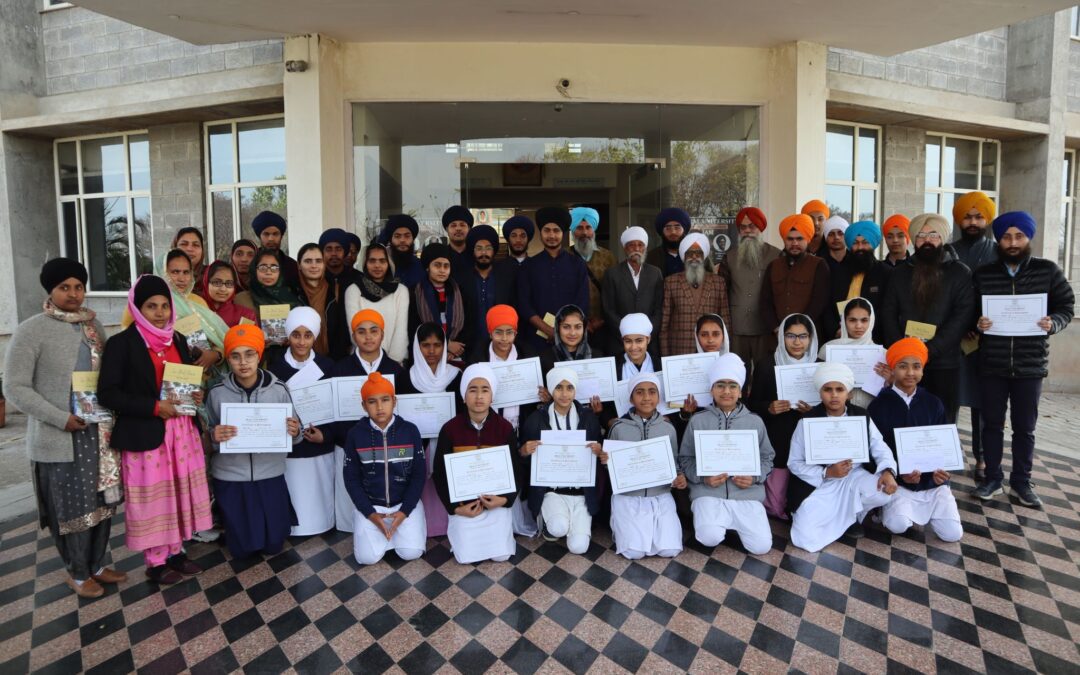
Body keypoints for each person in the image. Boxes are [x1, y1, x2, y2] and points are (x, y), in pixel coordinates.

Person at [3, 259, 125, 598]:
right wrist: (60, 417)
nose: (73, 294)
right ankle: (76, 570)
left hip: (97, 432)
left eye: (78, 287)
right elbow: (15, 387)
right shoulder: (32, 330)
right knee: (70, 507)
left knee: (102, 501)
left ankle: (97, 565)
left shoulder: (93, 328)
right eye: (64, 288)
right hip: (60, 436)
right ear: (50, 290)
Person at [98, 274, 212, 584]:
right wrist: (153, 407)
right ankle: (156, 561)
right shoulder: (122, 344)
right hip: (147, 435)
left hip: (181, 432)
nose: (160, 313)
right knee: (153, 500)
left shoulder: (177, 339)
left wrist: (195, 395)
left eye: (164, 306)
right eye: (151, 306)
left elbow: (183, 380)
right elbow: (108, 394)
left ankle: (176, 552)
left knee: (177, 492)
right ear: (137, 308)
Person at [972, 212, 1075, 506]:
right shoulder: (984, 274)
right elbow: (969, 311)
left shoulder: (1048, 271)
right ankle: (992, 478)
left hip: (1031, 365)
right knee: (991, 425)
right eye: (1006, 236)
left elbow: (1066, 306)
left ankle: (1021, 483)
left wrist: (1053, 322)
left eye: (1019, 236)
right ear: (998, 240)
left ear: (1029, 238)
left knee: (1025, 428)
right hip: (992, 362)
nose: (1012, 242)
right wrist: (977, 323)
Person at [207, 325, 301, 559]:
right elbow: (205, 437)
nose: (243, 362)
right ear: (227, 359)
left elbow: (297, 432)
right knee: (242, 549)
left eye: (250, 354)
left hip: (269, 474)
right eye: (235, 356)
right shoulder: (217, 393)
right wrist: (213, 436)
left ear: (260, 355)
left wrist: (295, 431)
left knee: (273, 545)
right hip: (231, 477)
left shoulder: (278, 389)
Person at [787, 363, 898, 552]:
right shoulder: (807, 421)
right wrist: (827, 472)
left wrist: (887, 471)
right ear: (820, 393)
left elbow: (880, 446)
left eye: (840, 389)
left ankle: (853, 518)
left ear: (849, 393)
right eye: (828, 389)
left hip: (854, 477)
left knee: (882, 493)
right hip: (821, 484)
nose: (834, 395)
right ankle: (843, 519)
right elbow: (794, 463)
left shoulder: (862, 416)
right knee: (804, 539)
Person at [880, 213, 974, 423]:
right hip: (906, 364)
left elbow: (962, 317)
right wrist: (903, 352)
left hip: (944, 362)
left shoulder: (960, 273)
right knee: (904, 419)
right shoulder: (900, 273)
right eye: (921, 235)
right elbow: (888, 312)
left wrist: (928, 351)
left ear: (942, 238)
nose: (927, 240)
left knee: (943, 420)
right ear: (913, 239)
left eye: (933, 234)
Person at [679, 353, 775, 554]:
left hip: (746, 494)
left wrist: (754, 477)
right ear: (711, 389)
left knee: (761, 547)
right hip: (708, 493)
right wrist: (703, 478)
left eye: (733, 386)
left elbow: (767, 457)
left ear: (741, 392)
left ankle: (733, 524)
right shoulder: (698, 421)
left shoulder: (754, 422)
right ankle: (721, 525)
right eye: (720, 385)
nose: (726, 391)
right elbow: (685, 458)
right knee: (709, 537)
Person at [868, 338, 962, 542]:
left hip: (932, 484)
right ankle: (885, 509)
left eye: (916, 366)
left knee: (953, 534)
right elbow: (875, 450)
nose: (910, 373)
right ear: (892, 369)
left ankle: (932, 511)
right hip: (899, 484)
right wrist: (900, 475)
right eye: (903, 366)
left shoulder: (934, 403)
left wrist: (940, 475)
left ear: (923, 370)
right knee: (898, 525)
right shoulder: (879, 405)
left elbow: (943, 446)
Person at [329, 309, 412, 531]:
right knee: (352, 507)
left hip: (388, 449)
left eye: (374, 331)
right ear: (353, 335)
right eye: (361, 331)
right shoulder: (339, 369)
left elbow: (404, 413)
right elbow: (332, 415)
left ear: (382, 334)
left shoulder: (395, 369)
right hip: (349, 446)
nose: (368, 337)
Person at [432, 364, 521, 564]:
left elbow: (516, 470)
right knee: (464, 558)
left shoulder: (505, 429)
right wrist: (455, 508)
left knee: (501, 556)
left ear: (493, 396)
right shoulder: (450, 429)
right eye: (472, 390)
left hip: (495, 504)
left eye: (485, 390)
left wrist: (505, 500)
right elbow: (439, 474)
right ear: (464, 395)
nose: (479, 396)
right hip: (465, 505)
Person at [343, 372, 427, 564]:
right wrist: (370, 514)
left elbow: (418, 476)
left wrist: (404, 511)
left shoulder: (410, 431)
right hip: (372, 506)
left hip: (404, 505)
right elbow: (351, 479)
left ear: (394, 401)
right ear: (364, 405)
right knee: (367, 558)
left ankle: (395, 535)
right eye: (372, 402)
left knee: (411, 553)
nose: (380, 407)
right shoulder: (355, 435)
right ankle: (383, 534)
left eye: (385, 400)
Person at [267, 307, 336, 536]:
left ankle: (323, 523)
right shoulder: (275, 370)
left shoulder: (327, 367)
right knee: (296, 490)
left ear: (315, 336)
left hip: (319, 444)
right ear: (288, 335)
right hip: (291, 447)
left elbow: (335, 408)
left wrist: (324, 434)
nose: (301, 341)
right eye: (296, 335)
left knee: (319, 491)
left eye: (308, 335)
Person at [519, 367, 604, 553]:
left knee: (579, 547)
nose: (564, 394)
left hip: (581, 492)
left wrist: (599, 451)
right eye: (558, 388)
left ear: (575, 390)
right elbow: (523, 461)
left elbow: (598, 459)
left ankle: (572, 520)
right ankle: (548, 516)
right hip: (551, 491)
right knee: (558, 527)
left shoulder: (589, 418)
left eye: (569, 388)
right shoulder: (535, 419)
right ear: (550, 390)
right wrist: (524, 451)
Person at [603, 373, 687, 560]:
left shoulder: (668, 428)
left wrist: (679, 476)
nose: (646, 397)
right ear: (631, 398)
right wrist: (607, 461)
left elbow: (674, 462)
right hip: (628, 497)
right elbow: (611, 467)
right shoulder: (618, 428)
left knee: (669, 550)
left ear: (659, 396)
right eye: (639, 392)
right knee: (634, 552)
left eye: (652, 392)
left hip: (660, 495)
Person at [746, 313, 818, 519]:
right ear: (781, 337)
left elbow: (830, 408)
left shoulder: (820, 365)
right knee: (776, 506)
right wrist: (769, 407)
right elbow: (752, 404)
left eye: (803, 336)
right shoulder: (767, 365)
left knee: (801, 499)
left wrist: (812, 413)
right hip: (778, 434)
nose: (797, 342)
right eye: (790, 336)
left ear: (811, 338)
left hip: (807, 437)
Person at [950, 192, 998, 480]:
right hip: (954, 339)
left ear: (987, 220)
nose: (972, 222)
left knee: (984, 401)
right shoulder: (949, 250)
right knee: (949, 397)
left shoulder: (996, 252)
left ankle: (982, 459)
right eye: (967, 216)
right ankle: (947, 454)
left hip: (987, 341)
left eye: (978, 217)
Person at [408, 323, 463, 538]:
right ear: (416, 347)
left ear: (445, 346)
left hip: (447, 448)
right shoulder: (407, 378)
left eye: (438, 345)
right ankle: (422, 528)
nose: (432, 351)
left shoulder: (456, 377)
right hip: (419, 449)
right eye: (425, 345)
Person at [518, 206, 590, 349]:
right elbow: (524, 305)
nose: (551, 236)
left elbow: (582, 301)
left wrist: (564, 331)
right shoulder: (528, 266)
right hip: (536, 339)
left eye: (556, 230)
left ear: (563, 233)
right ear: (540, 233)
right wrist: (548, 330)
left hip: (571, 339)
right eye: (547, 230)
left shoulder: (577, 264)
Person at [723, 207, 781, 374]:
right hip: (737, 328)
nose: (747, 231)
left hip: (765, 328)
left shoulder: (776, 256)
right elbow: (724, 291)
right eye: (743, 227)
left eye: (752, 226)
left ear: (760, 228)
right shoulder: (730, 257)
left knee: (764, 372)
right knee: (738, 372)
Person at [467, 305, 543, 431]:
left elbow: (532, 400)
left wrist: (542, 396)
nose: (504, 338)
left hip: (521, 426)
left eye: (509, 332)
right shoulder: (477, 359)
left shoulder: (527, 356)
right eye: (498, 332)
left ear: (516, 333)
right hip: (486, 428)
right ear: (490, 333)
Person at [660, 232, 731, 356]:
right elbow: (664, 325)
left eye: (698, 253)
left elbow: (726, 321)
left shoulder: (718, 282)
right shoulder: (671, 282)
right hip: (680, 350)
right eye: (689, 253)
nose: (694, 257)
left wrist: (725, 353)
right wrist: (665, 357)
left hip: (710, 349)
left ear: (704, 257)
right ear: (683, 256)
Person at [760, 214, 830, 339]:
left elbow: (819, 301)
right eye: (790, 239)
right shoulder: (774, 266)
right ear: (784, 240)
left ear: (807, 239)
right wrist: (776, 329)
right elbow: (765, 302)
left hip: (808, 336)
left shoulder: (819, 265)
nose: (794, 243)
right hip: (777, 337)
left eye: (799, 238)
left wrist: (800, 329)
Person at [823, 221, 893, 342]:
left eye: (865, 243)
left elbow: (888, 310)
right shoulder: (837, 271)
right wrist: (836, 330)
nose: (860, 247)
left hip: (873, 339)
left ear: (873, 244)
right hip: (840, 338)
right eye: (855, 243)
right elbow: (826, 305)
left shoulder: (886, 273)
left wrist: (864, 330)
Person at [601, 225, 664, 356]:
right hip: (620, 341)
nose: (636, 249)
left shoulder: (655, 273)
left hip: (648, 342)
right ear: (625, 248)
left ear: (645, 247)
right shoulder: (612, 274)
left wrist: (647, 333)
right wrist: (627, 333)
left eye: (640, 245)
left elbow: (659, 308)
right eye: (632, 245)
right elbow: (608, 309)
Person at [235, 248, 304, 364]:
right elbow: (238, 333)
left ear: (280, 271)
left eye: (274, 267)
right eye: (263, 267)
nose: (268, 272)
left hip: (288, 359)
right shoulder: (242, 299)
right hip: (253, 361)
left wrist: (293, 336)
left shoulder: (292, 298)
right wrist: (256, 338)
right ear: (254, 270)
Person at [345, 243, 410, 363]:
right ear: (365, 263)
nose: (377, 265)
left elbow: (401, 330)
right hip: (362, 362)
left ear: (388, 263)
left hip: (394, 362)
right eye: (372, 261)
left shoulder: (400, 291)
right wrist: (370, 361)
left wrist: (392, 363)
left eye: (382, 261)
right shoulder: (353, 290)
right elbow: (354, 330)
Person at [819, 298, 889, 408]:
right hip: (836, 413)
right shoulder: (828, 349)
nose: (858, 326)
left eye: (864, 320)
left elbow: (892, 392)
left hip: (873, 413)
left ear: (871, 321)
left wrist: (890, 380)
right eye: (852, 320)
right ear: (844, 320)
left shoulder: (884, 354)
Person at [408, 243, 472, 362]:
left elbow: (468, 324)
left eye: (446, 266)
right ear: (428, 267)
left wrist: (455, 349)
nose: (442, 270)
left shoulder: (460, 292)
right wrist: (446, 344)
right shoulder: (414, 293)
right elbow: (413, 327)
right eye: (437, 265)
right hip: (426, 354)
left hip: (456, 354)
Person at [568, 206, 617, 351]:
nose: (584, 232)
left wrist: (601, 320)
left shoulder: (608, 257)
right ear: (572, 231)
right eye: (579, 228)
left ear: (593, 230)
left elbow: (615, 292)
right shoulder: (565, 257)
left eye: (588, 227)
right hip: (572, 328)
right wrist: (579, 322)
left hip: (603, 325)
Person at [458, 225, 516, 342]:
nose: (483, 253)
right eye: (479, 248)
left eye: (488, 248)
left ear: (494, 250)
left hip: (501, 342)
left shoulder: (506, 278)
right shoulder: (462, 279)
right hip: (470, 343)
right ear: (472, 251)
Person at [316, 228, 358, 360]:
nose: (333, 253)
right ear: (322, 252)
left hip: (351, 351)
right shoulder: (314, 280)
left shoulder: (358, 280)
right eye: (329, 249)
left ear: (345, 251)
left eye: (338, 249)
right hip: (321, 351)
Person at [296, 243, 332, 357]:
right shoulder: (291, 293)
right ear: (299, 265)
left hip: (332, 358)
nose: (314, 266)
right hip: (300, 357)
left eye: (318, 261)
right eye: (308, 261)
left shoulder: (336, 291)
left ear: (324, 264)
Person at [200, 261, 256, 328]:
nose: (223, 289)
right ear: (206, 282)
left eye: (229, 283)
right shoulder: (194, 310)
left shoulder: (246, 315)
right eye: (217, 282)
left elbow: (251, 337)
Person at [251, 211, 299, 285]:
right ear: (259, 237)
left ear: (281, 236)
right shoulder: (251, 262)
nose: (271, 239)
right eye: (266, 234)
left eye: (275, 234)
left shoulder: (292, 266)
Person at [378, 214, 424, 290]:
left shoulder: (420, 266)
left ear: (413, 239)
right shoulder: (380, 266)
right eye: (397, 236)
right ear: (391, 240)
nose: (402, 240)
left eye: (407, 236)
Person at [646, 207, 690, 278]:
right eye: (668, 228)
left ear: (684, 230)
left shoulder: (697, 255)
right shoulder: (650, 258)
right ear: (662, 232)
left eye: (677, 227)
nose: (673, 232)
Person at [172, 227, 208, 295]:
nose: (189, 249)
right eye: (184, 244)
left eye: (196, 245)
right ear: (174, 247)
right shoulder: (164, 276)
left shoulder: (211, 275)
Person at [441, 205, 474, 276]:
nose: (458, 228)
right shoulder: (441, 256)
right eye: (453, 225)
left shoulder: (476, 256)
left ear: (469, 228)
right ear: (447, 229)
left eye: (462, 225)